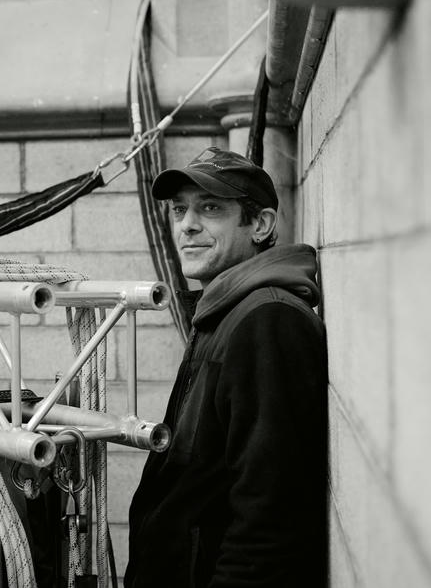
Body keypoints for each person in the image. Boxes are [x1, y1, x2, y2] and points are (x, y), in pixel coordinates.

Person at [125, 147, 327, 587]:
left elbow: (270, 520)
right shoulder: (225, 314)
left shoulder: (268, 321)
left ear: (260, 225)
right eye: (180, 210)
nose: (187, 225)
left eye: (210, 208)